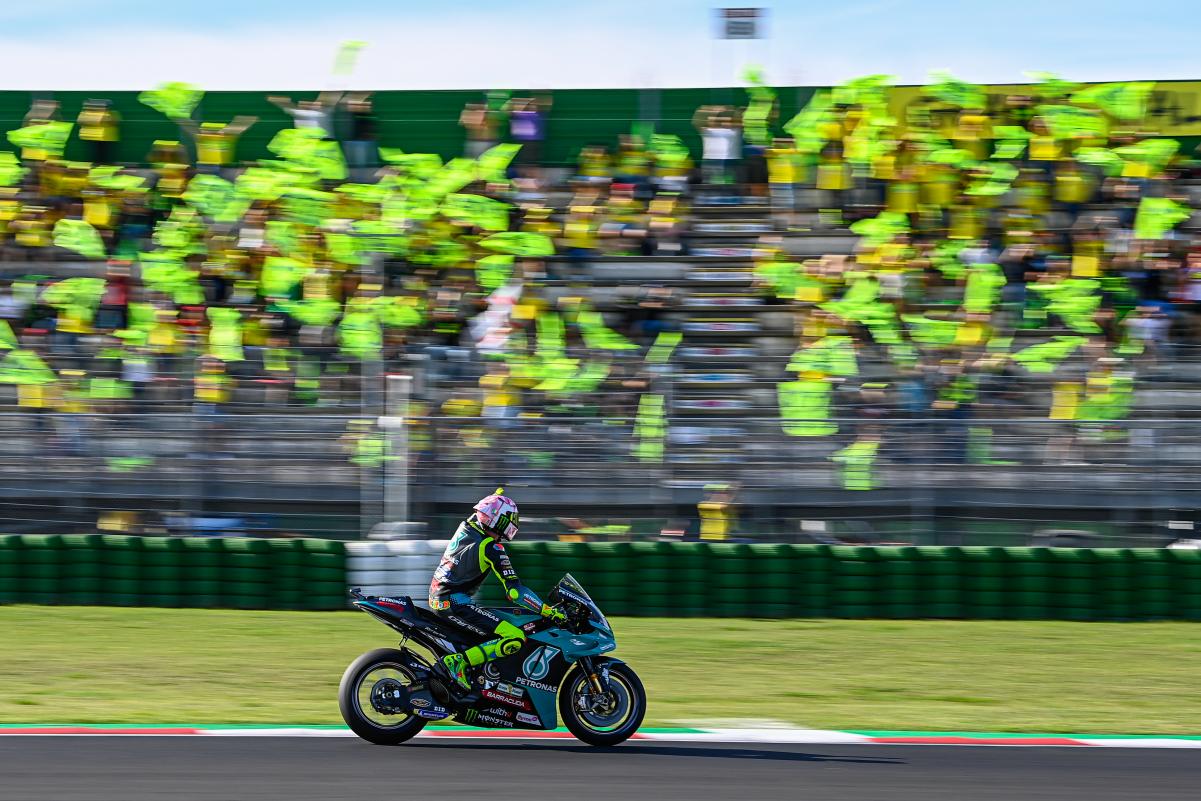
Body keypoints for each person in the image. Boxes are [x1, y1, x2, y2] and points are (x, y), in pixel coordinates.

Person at [429, 489, 566, 691]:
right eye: (510, 519)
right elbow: (515, 593)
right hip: (455, 603)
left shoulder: (467, 528)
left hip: (439, 598)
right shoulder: (490, 547)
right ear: (498, 520)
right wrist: (548, 611)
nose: (512, 524)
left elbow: (480, 514)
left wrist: (494, 500)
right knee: (516, 637)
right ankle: (459, 663)